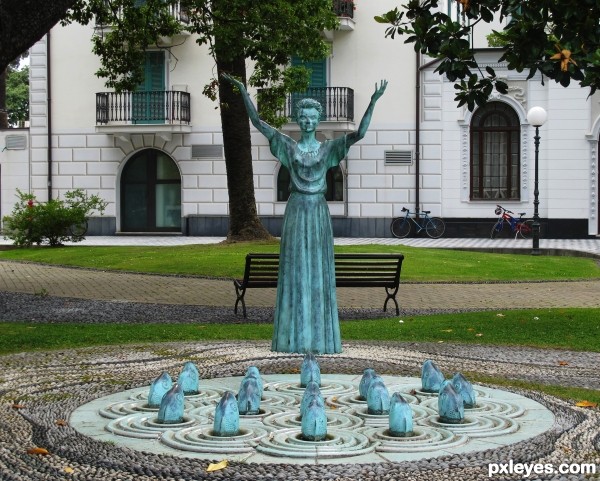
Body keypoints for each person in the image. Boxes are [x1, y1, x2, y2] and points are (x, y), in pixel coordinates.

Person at [223, 74, 387, 354]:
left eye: (312, 117)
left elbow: (359, 134)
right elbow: (258, 124)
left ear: (318, 119)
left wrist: (372, 102)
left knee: (319, 269)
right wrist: (243, 92)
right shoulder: (288, 145)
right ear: (298, 119)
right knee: (295, 267)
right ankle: (292, 335)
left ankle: (321, 336)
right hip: (297, 209)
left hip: (318, 211)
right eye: (304, 117)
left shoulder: (328, 148)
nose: (308, 121)